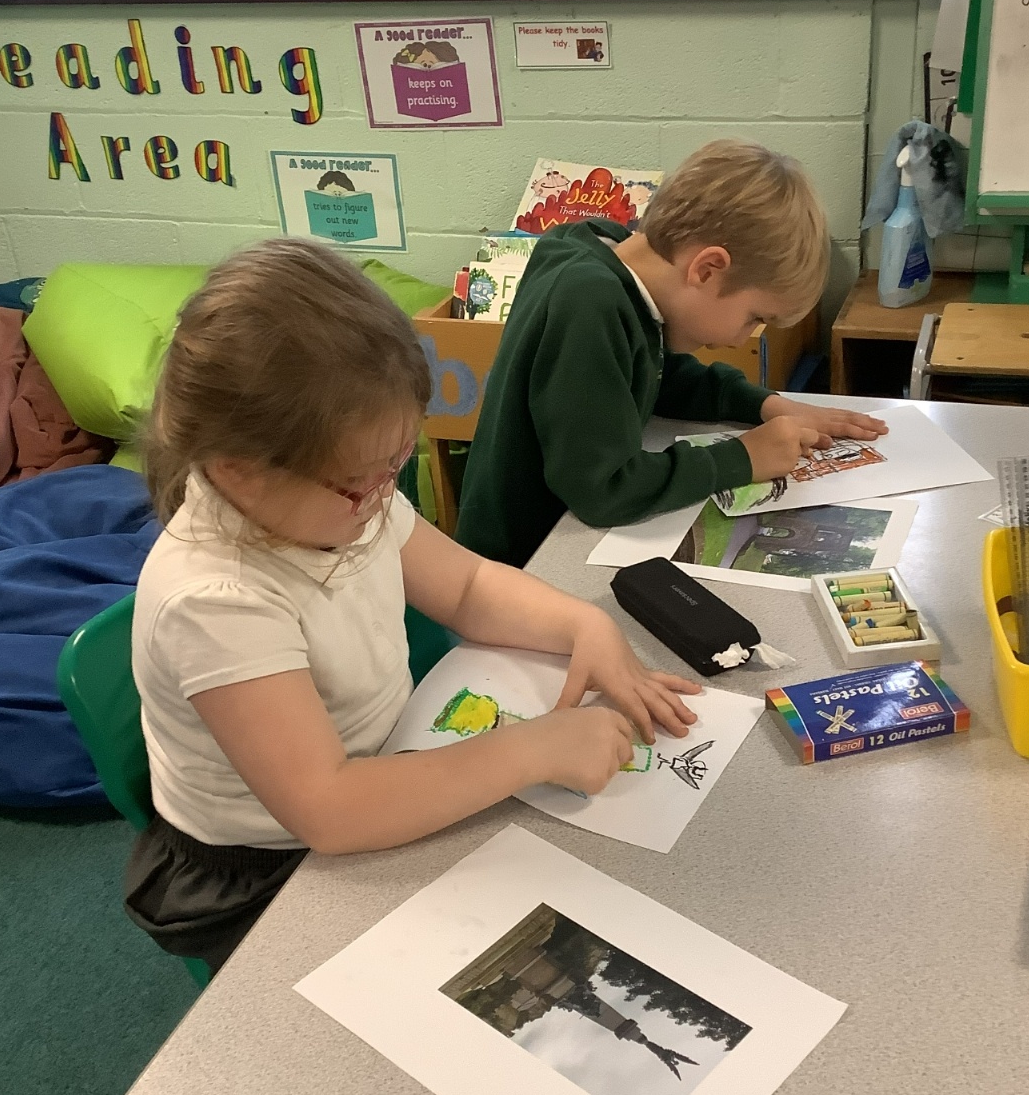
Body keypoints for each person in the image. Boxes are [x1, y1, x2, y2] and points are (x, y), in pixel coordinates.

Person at [125, 240, 699, 972]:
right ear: (241, 471)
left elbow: (467, 587)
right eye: (365, 479)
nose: (383, 496)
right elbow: (331, 810)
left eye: (396, 464)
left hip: (382, 770)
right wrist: (535, 749)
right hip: (274, 868)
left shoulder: (339, 499)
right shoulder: (215, 601)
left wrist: (583, 623)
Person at [456, 140, 888, 568]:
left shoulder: (610, 261)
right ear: (707, 269)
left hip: (546, 549)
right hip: (514, 564)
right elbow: (603, 489)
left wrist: (766, 405)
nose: (743, 339)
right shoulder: (589, 301)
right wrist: (741, 458)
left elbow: (659, 376)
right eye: (754, 317)